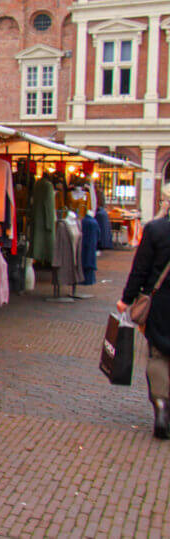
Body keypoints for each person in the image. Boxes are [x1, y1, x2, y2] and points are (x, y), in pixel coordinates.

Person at [118, 184, 170, 438]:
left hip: (160, 302)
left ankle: (160, 404)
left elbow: (140, 268)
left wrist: (127, 299)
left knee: (158, 354)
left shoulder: (155, 230)